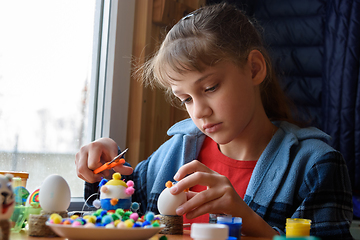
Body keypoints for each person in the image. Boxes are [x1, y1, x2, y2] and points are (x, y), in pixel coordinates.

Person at [75, 3, 353, 239]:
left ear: (254, 69)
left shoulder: (314, 167)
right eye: (185, 99)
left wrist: (251, 223)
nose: (199, 111)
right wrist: (102, 174)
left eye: (210, 88)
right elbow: (106, 223)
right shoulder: (169, 158)